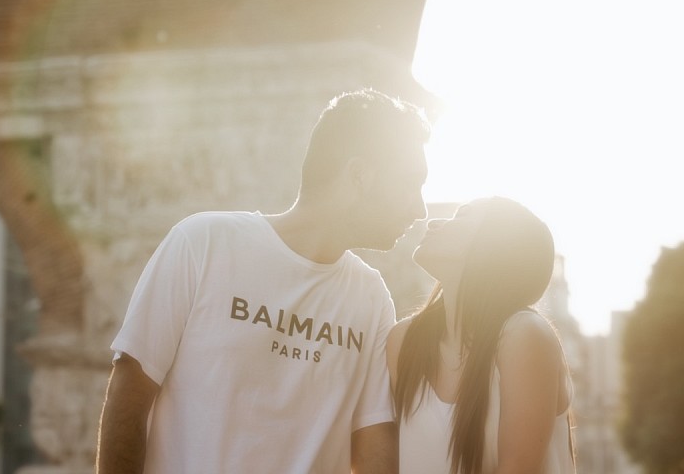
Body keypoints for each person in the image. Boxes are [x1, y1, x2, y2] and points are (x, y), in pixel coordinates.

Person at [96, 88, 430, 474]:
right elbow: (129, 394)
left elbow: (373, 445)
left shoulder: (371, 298)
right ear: (359, 175)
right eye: (411, 182)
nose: (419, 208)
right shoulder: (203, 243)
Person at [388, 197, 574, 474]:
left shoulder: (524, 335)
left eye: (461, 216)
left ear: (495, 247)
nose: (435, 222)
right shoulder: (402, 340)